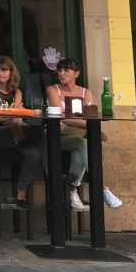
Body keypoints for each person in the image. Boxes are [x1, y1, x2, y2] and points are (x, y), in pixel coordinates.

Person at [45, 57, 121, 209]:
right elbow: (62, 118)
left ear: (76, 73)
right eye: (59, 70)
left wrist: (90, 127)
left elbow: (90, 115)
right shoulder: (53, 90)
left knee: (80, 148)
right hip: (55, 135)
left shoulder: (85, 92)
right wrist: (92, 128)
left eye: (66, 70)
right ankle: (102, 189)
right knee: (82, 143)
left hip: (78, 135)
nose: (62, 73)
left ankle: (72, 191)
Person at [0, 55, 46, 209]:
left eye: (4, 70)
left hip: (13, 131)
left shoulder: (17, 92)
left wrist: (15, 117)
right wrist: (16, 114)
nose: (0, 73)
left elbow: (16, 117)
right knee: (36, 131)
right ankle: (52, 172)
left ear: (11, 72)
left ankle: (21, 193)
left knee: (34, 154)